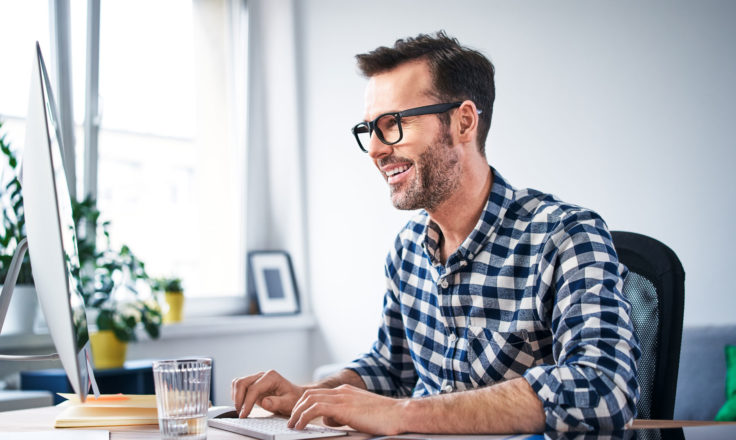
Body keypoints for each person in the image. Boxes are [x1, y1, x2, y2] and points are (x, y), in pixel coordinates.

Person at [232, 31, 640, 435]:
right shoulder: (408, 250)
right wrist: (310, 393)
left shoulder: (564, 236)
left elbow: (604, 387)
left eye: (393, 124)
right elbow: (391, 368)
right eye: (369, 129)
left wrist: (402, 414)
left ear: (463, 122)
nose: (374, 149)